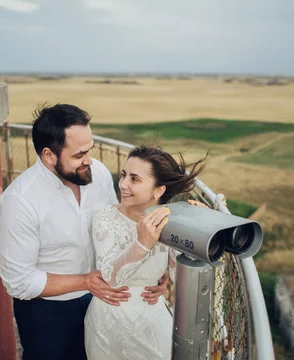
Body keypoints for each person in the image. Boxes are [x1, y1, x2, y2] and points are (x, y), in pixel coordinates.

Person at [0, 104, 167, 360]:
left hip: (104, 303)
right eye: (79, 155)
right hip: (49, 314)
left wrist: (154, 271)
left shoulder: (95, 172)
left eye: (90, 150)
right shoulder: (19, 201)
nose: (89, 160)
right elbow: (19, 281)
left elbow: (121, 222)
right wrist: (85, 281)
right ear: (49, 155)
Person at [84, 146, 207, 359]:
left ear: (158, 190)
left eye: (135, 179)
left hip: (151, 322)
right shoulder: (105, 217)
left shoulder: (170, 223)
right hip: (107, 323)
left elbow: (181, 277)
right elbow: (110, 277)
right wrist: (142, 244)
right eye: (123, 175)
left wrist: (199, 230)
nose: (123, 184)